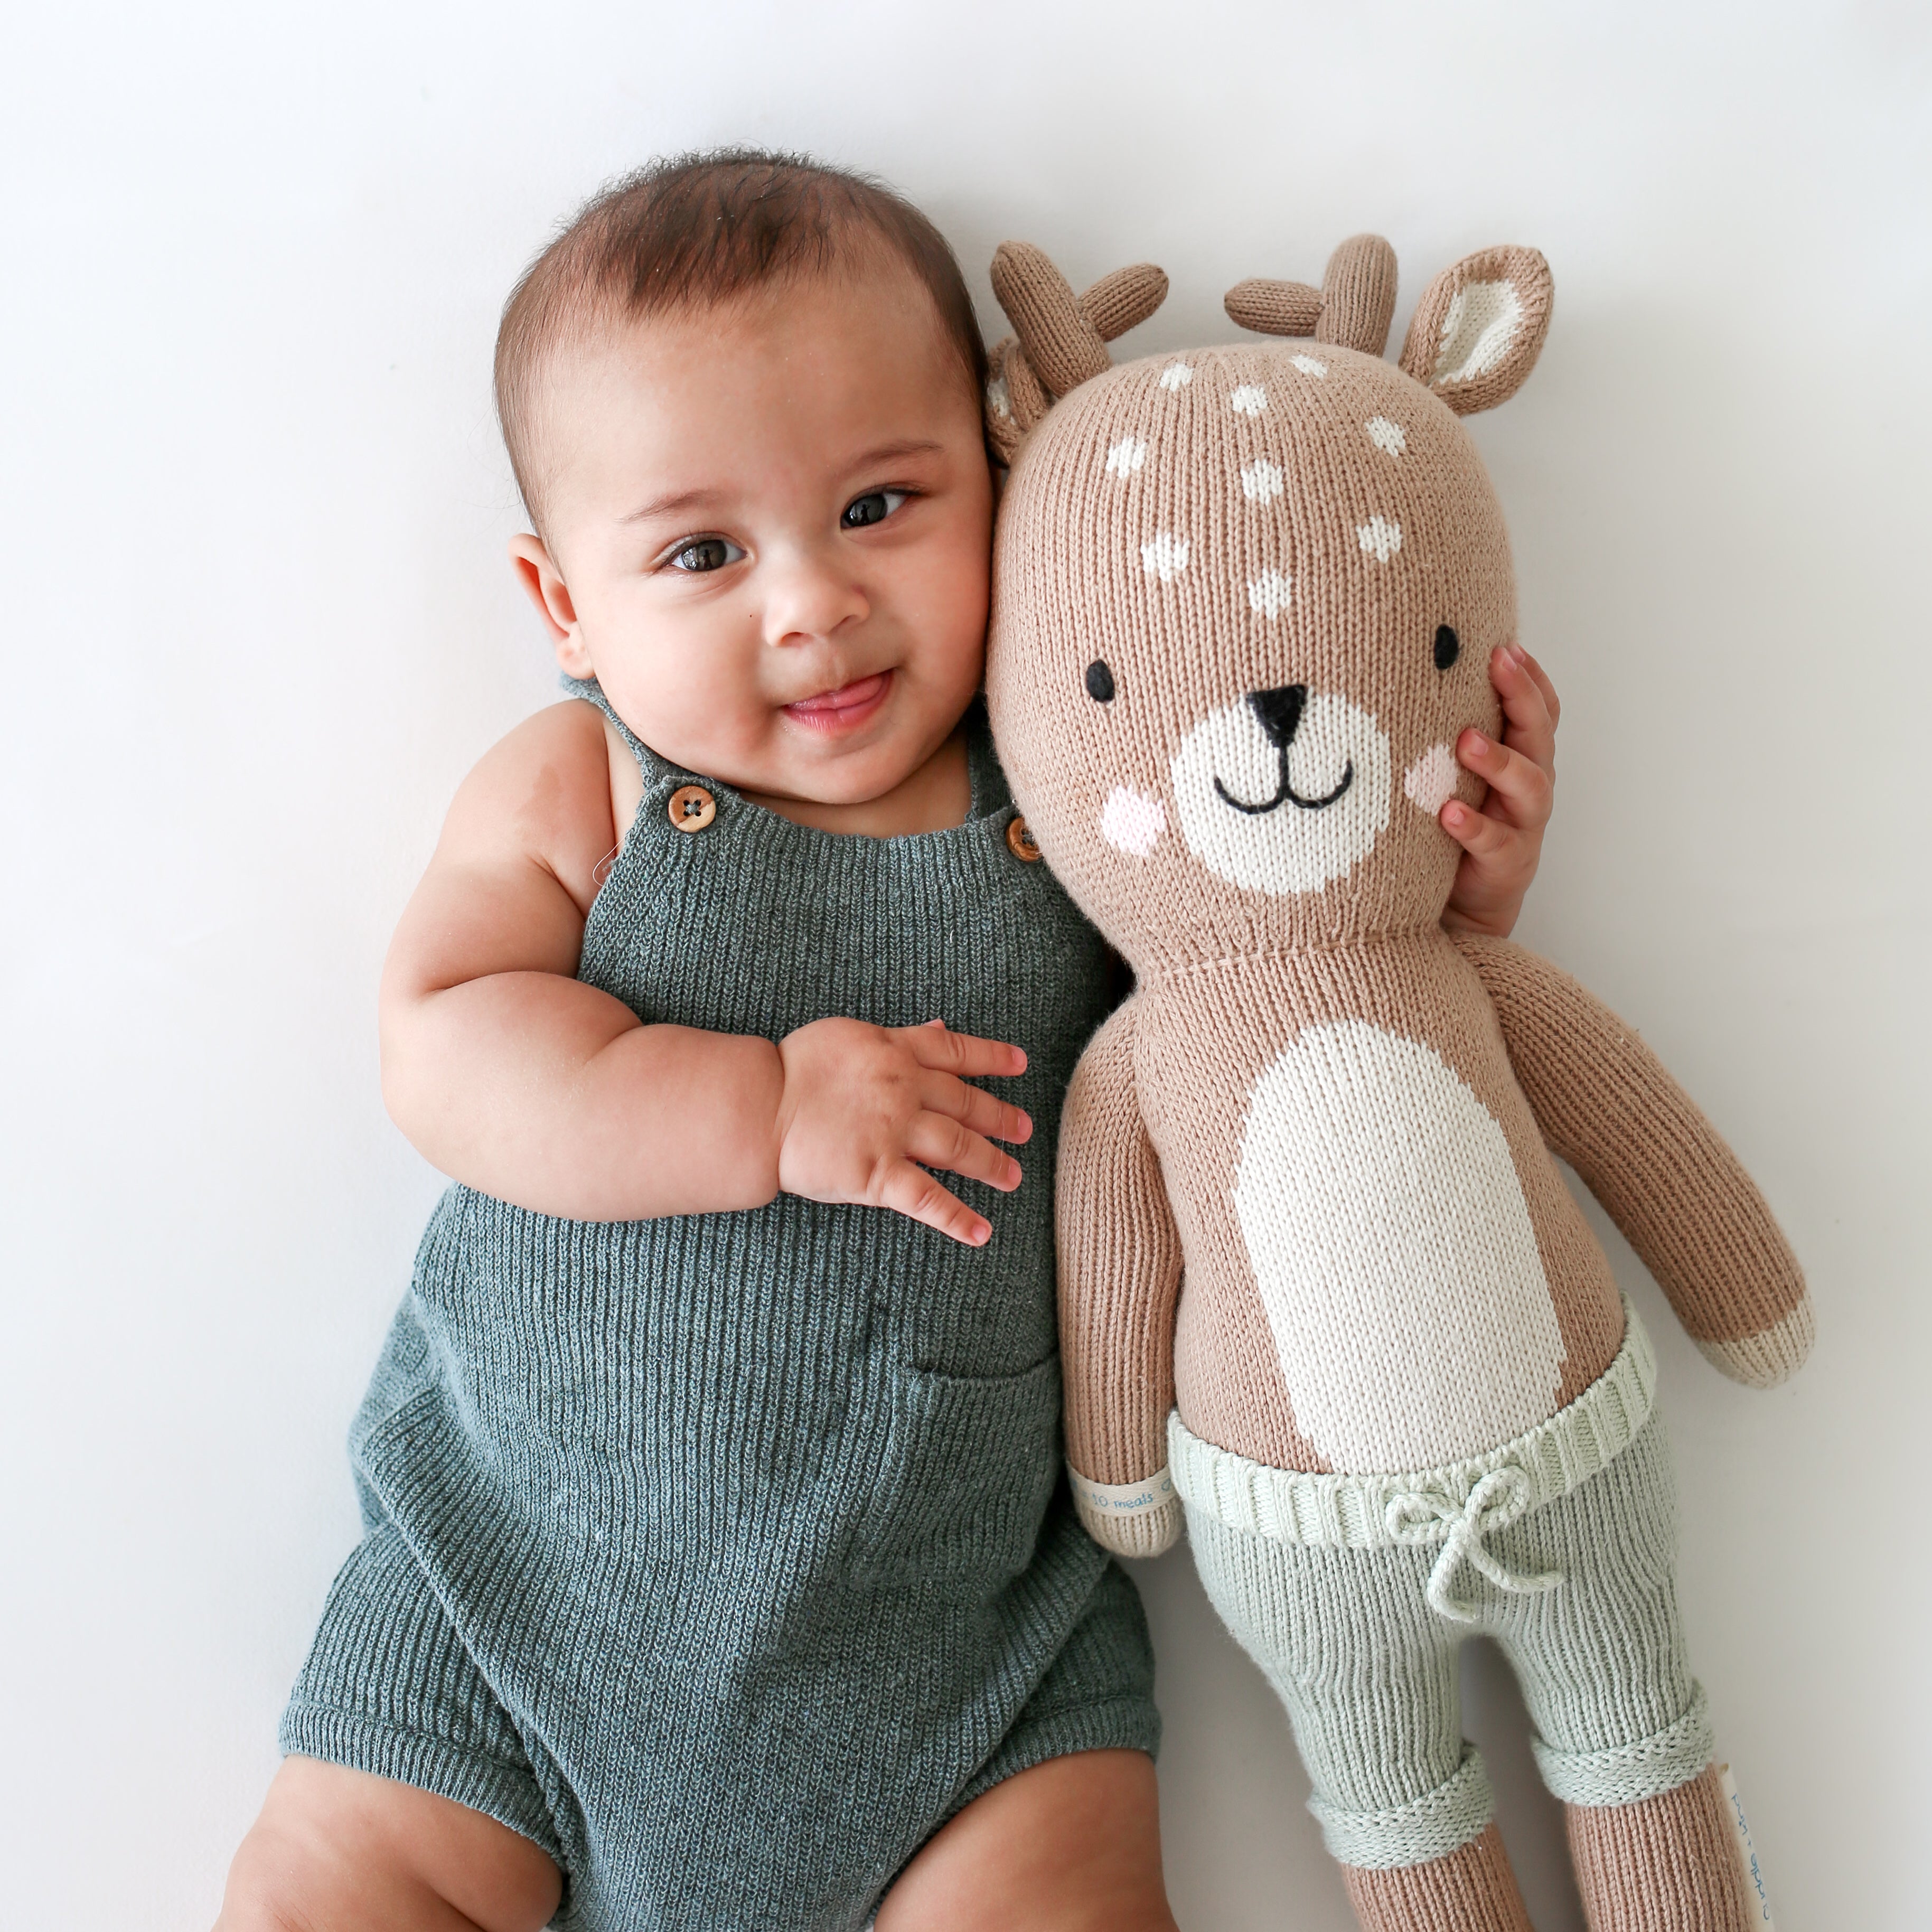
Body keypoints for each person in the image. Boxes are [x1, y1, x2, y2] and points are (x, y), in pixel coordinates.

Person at [216, 151, 1562, 1932]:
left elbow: (1263, 977)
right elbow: (443, 1050)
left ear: (997, 485)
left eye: (878, 506)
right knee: (333, 1893)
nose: (811, 603)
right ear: (565, 609)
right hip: (512, 1614)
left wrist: (1440, 897)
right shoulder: (585, 788)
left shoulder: (1083, 803)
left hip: (964, 1667)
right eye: (702, 551)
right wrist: (758, 1105)